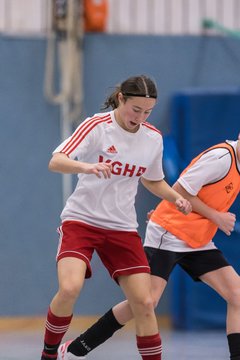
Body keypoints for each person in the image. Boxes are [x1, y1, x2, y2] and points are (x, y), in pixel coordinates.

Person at [40, 74, 192, 360]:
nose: (141, 117)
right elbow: (56, 161)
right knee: (70, 288)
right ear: (121, 98)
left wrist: (176, 198)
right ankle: (49, 353)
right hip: (82, 221)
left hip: (121, 228)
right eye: (136, 109)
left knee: (145, 303)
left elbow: (153, 180)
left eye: (148, 111)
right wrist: (86, 168)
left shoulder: (153, 138)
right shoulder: (96, 126)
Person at [59, 135, 240, 360]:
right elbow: (179, 190)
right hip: (169, 232)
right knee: (146, 301)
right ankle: (75, 349)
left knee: (237, 294)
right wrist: (216, 217)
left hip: (197, 239)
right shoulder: (221, 158)